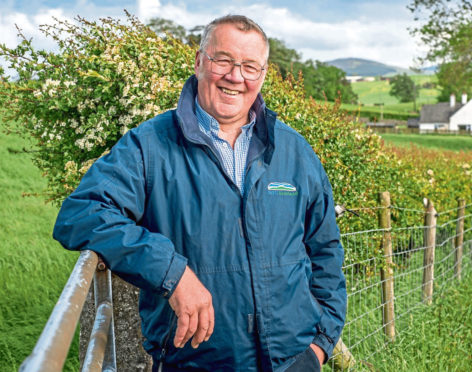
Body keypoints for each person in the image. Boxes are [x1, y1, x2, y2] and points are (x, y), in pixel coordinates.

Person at [53, 15, 346, 372]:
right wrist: (171, 272)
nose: (235, 76)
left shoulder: (295, 152)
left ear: (263, 74)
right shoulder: (150, 146)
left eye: (250, 66)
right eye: (223, 60)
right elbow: (82, 213)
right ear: (199, 62)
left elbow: (325, 249)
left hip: (295, 361)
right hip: (193, 362)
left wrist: (320, 345)